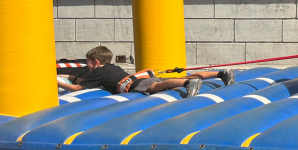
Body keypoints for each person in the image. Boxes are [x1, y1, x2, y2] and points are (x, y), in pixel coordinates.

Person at [59, 46, 235, 98]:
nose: (87, 65)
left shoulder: (98, 74)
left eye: (88, 62)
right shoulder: (112, 68)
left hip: (135, 84)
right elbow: (78, 78)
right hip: (138, 77)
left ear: (95, 62)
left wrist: (55, 81)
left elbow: (76, 88)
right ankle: (220, 74)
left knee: (157, 87)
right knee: (178, 76)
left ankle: (188, 84)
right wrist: (66, 76)